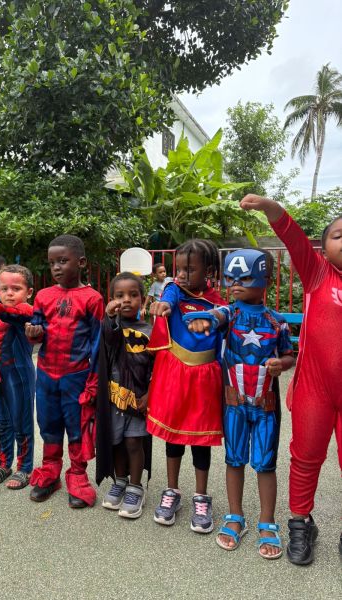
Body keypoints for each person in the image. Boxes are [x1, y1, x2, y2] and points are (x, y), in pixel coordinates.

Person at [240, 194, 342, 565]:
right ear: (323, 250)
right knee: (305, 457)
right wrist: (269, 207)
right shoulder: (318, 274)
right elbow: (292, 236)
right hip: (315, 390)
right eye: (339, 235)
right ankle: (301, 521)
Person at [189, 248, 295, 559]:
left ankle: (267, 521)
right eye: (230, 279)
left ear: (266, 281)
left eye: (245, 278)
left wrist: (281, 364)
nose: (235, 285)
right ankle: (235, 516)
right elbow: (215, 316)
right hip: (233, 402)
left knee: (265, 463)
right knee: (234, 459)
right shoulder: (229, 314)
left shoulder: (277, 321)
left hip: (265, 405)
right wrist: (203, 320)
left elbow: (288, 355)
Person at [147, 239, 226, 532]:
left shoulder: (219, 304)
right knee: (174, 434)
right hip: (175, 373)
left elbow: (225, 327)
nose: (181, 274)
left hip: (205, 377)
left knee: (201, 439)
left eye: (189, 269)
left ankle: (201, 497)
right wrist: (164, 304)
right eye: (178, 268)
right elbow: (168, 295)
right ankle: (172, 491)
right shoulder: (175, 291)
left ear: (209, 271)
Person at [25, 234, 105, 508]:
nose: (56, 267)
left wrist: (94, 381)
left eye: (62, 261)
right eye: (52, 263)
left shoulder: (93, 298)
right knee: (48, 424)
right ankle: (50, 472)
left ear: (81, 262)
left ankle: (78, 476)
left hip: (77, 376)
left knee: (76, 427)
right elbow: (37, 330)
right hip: (46, 374)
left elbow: (97, 344)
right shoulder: (43, 296)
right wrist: (33, 333)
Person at [96, 272, 153, 519]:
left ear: (143, 299)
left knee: (134, 442)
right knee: (117, 442)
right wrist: (109, 316)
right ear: (111, 299)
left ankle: (136, 487)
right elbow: (109, 338)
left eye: (133, 295)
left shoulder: (150, 330)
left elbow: (159, 366)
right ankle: (120, 480)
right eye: (119, 295)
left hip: (138, 399)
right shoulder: (110, 326)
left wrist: (150, 394)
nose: (126, 300)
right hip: (113, 398)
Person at [0, 265, 36, 490]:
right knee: (3, 422)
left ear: (28, 292)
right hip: (1, 381)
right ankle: (4, 463)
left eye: (16, 288)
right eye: (4, 289)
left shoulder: (27, 315)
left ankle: (25, 467)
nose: (10, 293)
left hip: (20, 378)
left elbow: (15, 315)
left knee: (22, 422)